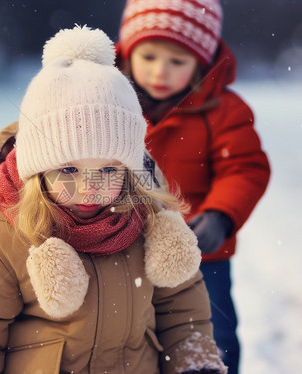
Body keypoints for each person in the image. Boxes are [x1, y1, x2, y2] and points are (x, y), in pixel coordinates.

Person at [0, 26, 228, 374]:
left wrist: (194, 364)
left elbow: (184, 313)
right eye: (70, 169)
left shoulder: (149, 224)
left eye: (108, 170)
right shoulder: (0, 243)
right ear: (37, 170)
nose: (90, 187)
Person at [116, 1, 271, 373]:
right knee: (125, 332)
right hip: (122, 246)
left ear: (201, 62)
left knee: (210, 335)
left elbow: (244, 168)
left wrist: (220, 215)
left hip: (200, 253)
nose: (159, 71)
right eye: (149, 55)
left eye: (177, 61)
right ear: (126, 52)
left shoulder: (224, 111)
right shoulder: (111, 105)